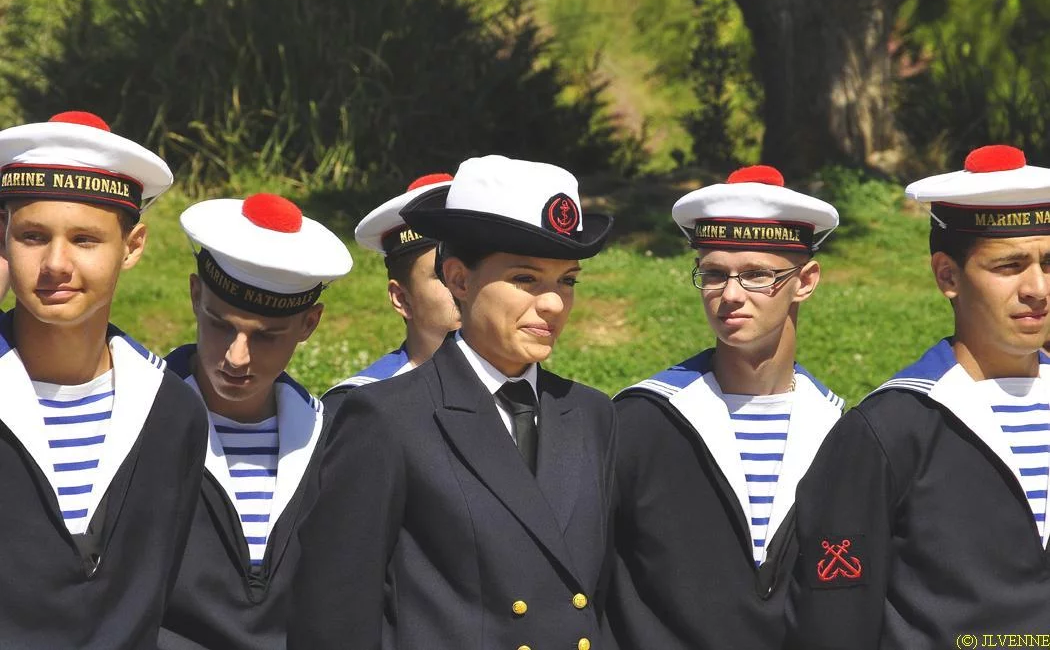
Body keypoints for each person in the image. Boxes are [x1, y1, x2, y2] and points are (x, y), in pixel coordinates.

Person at [289, 155, 617, 650]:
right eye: (526, 279)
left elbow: (601, 600)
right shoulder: (388, 417)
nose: (552, 303)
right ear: (460, 280)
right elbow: (335, 615)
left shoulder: (591, 415)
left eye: (566, 280)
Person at [787, 145, 1050, 649]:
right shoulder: (889, 430)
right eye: (1008, 265)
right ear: (947, 276)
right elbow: (834, 621)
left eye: (1048, 261)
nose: (1036, 287)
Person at [606, 165, 844, 650]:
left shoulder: (842, 430)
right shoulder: (640, 421)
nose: (730, 296)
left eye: (757, 275)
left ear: (807, 280)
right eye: (713, 274)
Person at [0, 110, 208, 648]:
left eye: (86, 240)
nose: (56, 263)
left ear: (133, 246)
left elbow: (156, 595)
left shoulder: (171, 412)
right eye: (32, 236)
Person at [158, 192, 352, 650]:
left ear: (309, 325)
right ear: (194, 294)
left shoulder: (332, 442)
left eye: (266, 336)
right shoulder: (136, 423)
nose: (236, 357)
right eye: (221, 324)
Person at [323, 173, 459, 412]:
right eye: (442, 275)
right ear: (401, 298)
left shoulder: (524, 390)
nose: (464, 287)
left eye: (474, 271)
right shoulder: (362, 404)